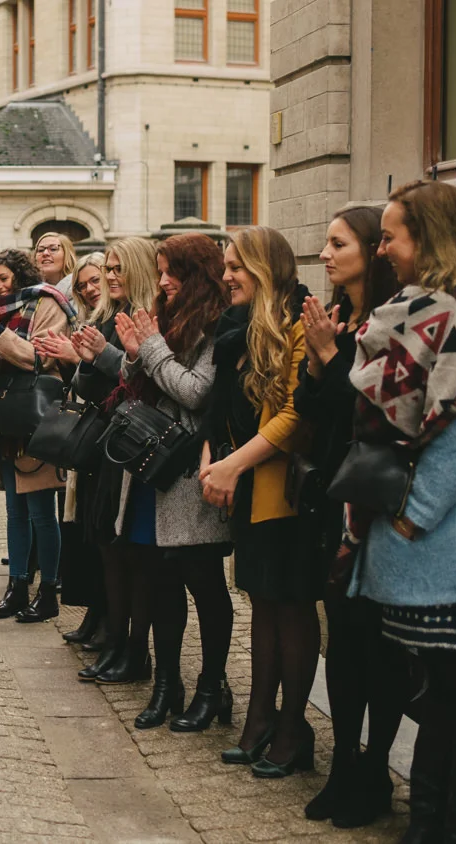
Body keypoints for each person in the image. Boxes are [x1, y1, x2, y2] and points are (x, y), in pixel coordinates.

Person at [346, 181, 456, 842]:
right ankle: (430, 829)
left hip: (455, 559)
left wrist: (410, 518)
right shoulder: (433, 316)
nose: (384, 249)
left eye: (392, 235)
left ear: (427, 239)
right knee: (452, 711)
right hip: (442, 559)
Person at [294, 206, 407, 829]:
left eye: (337, 243)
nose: (326, 254)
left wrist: (331, 357)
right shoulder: (338, 318)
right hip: (335, 493)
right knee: (341, 637)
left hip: (379, 497)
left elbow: (376, 407)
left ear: (371, 250)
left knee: (379, 642)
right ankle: (343, 762)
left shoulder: (392, 324)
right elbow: (312, 407)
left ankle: (376, 769)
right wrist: (318, 360)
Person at [105, 232, 232, 729]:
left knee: (203, 582)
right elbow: (147, 385)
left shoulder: (216, 325)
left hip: (186, 473)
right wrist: (135, 353)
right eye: (158, 271)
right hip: (148, 469)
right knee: (158, 583)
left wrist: (151, 349)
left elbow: (196, 392)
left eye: (169, 272)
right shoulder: (167, 318)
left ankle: (211, 687)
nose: (161, 281)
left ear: (196, 273)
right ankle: (166, 685)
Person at [200, 227, 317, 765]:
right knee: (261, 604)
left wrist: (231, 464)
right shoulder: (242, 328)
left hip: (288, 492)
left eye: (236, 267)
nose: (226, 277)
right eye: (225, 266)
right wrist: (211, 454)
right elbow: (223, 405)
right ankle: (261, 716)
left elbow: (297, 415)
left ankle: (293, 729)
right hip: (249, 485)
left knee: (289, 606)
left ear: (265, 268)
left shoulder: (298, 319)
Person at [65, 239, 161, 684]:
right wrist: (85, 360)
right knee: (106, 543)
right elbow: (90, 383)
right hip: (106, 440)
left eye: (119, 267)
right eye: (109, 268)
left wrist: (103, 354)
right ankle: (115, 640)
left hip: (135, 444)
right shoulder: (104, 313)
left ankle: (132, 650)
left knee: (129, 555)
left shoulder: (148, 315)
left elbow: (143, 374)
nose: (111, 275)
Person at [0, 247, 74, 623]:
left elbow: (39, 358)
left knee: (42, 513)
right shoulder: (5, 311)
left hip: (38, 416)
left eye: (4, 279)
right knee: (14, 511)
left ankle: (47, 594)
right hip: (8, 419)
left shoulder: (48, 302)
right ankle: (16, 587)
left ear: (20, 276)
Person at [34, 251, 106, 643]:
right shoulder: (87, 319)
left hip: (105, 438)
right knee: (83, 532)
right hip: (86, 434)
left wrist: (75, 358)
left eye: (97, 280)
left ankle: (108, 622)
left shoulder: (115, 319)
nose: (92, 289)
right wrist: (70, 360)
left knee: (100, 536)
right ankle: (95, 614)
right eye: (84, 285)